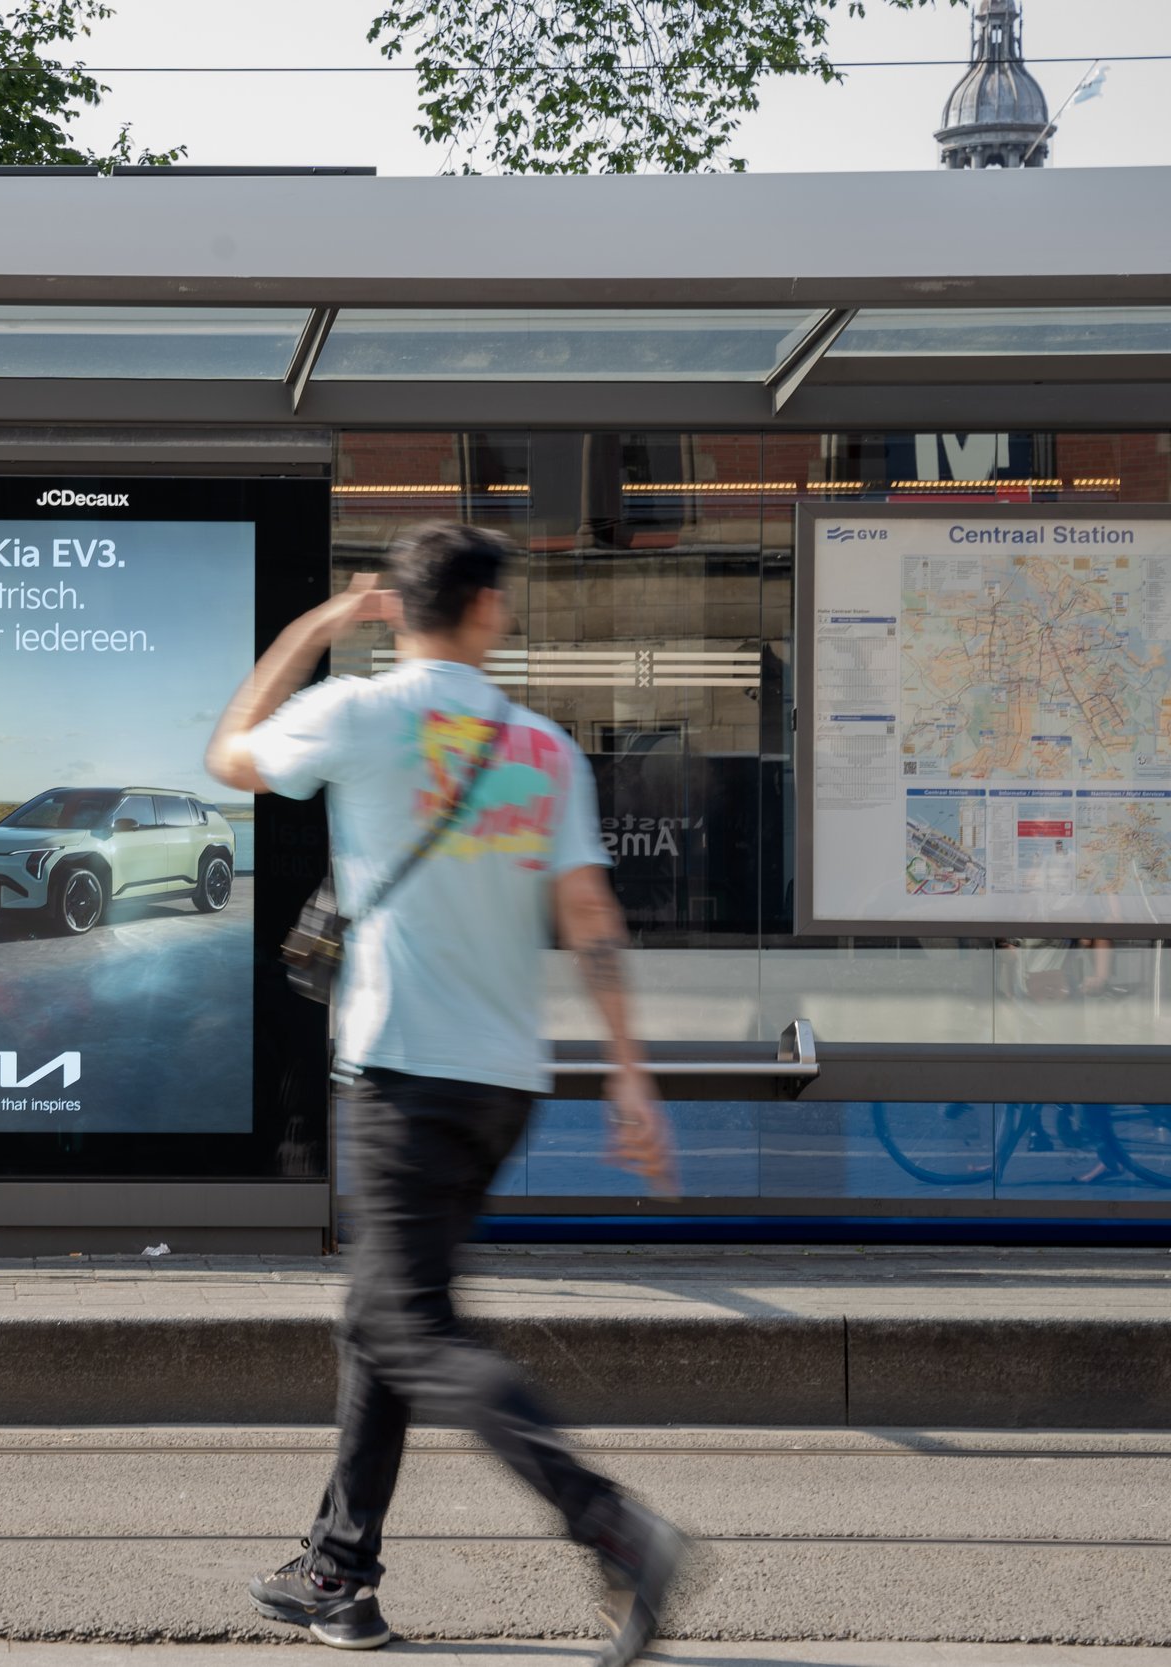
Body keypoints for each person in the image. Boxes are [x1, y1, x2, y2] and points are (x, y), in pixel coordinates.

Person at [206, 523, 687, 1660]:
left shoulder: (362, 712)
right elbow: (589, 919)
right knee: (385, 1314)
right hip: (500, 1084)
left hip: (399, 1069)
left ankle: (612, 1526)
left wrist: (315, 626)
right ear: (484, 609)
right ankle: (340, 1571)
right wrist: (629, 1075)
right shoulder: (543, 745)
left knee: (405, 1321)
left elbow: (229, 754)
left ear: (404, 608)